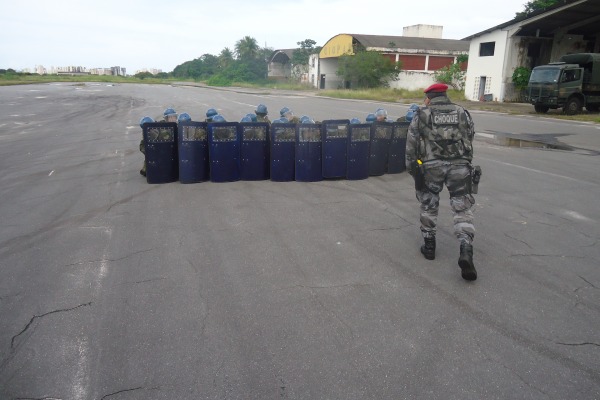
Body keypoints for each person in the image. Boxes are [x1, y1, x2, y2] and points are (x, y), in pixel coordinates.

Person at [405, 83, 478, 281]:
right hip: (460, 166)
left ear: (429, 98)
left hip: (431, 167)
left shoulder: (421, 114)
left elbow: (411, 146)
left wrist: (413, 171)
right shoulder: (462, 112)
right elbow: (470, 136)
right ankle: (465, 249)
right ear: (445, 95)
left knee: (429, 203)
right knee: (462, 209)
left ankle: (429, 247)